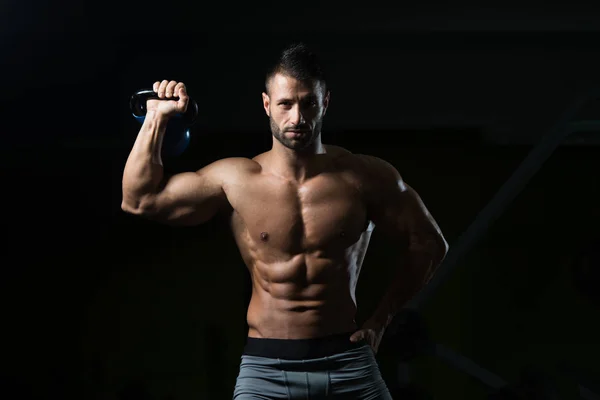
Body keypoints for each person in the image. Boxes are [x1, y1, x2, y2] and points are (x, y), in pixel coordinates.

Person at [121, 43, 448, 399]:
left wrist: (382, 319)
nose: (297, 118)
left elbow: (430, 244)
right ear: (267, 105)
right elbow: (139, 200)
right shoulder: (237, 179)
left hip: (349, 365)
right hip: (266, 372)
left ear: (325, 103)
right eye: (285, 104)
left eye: (308, 103)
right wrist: (156, 116)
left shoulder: (365, 177)